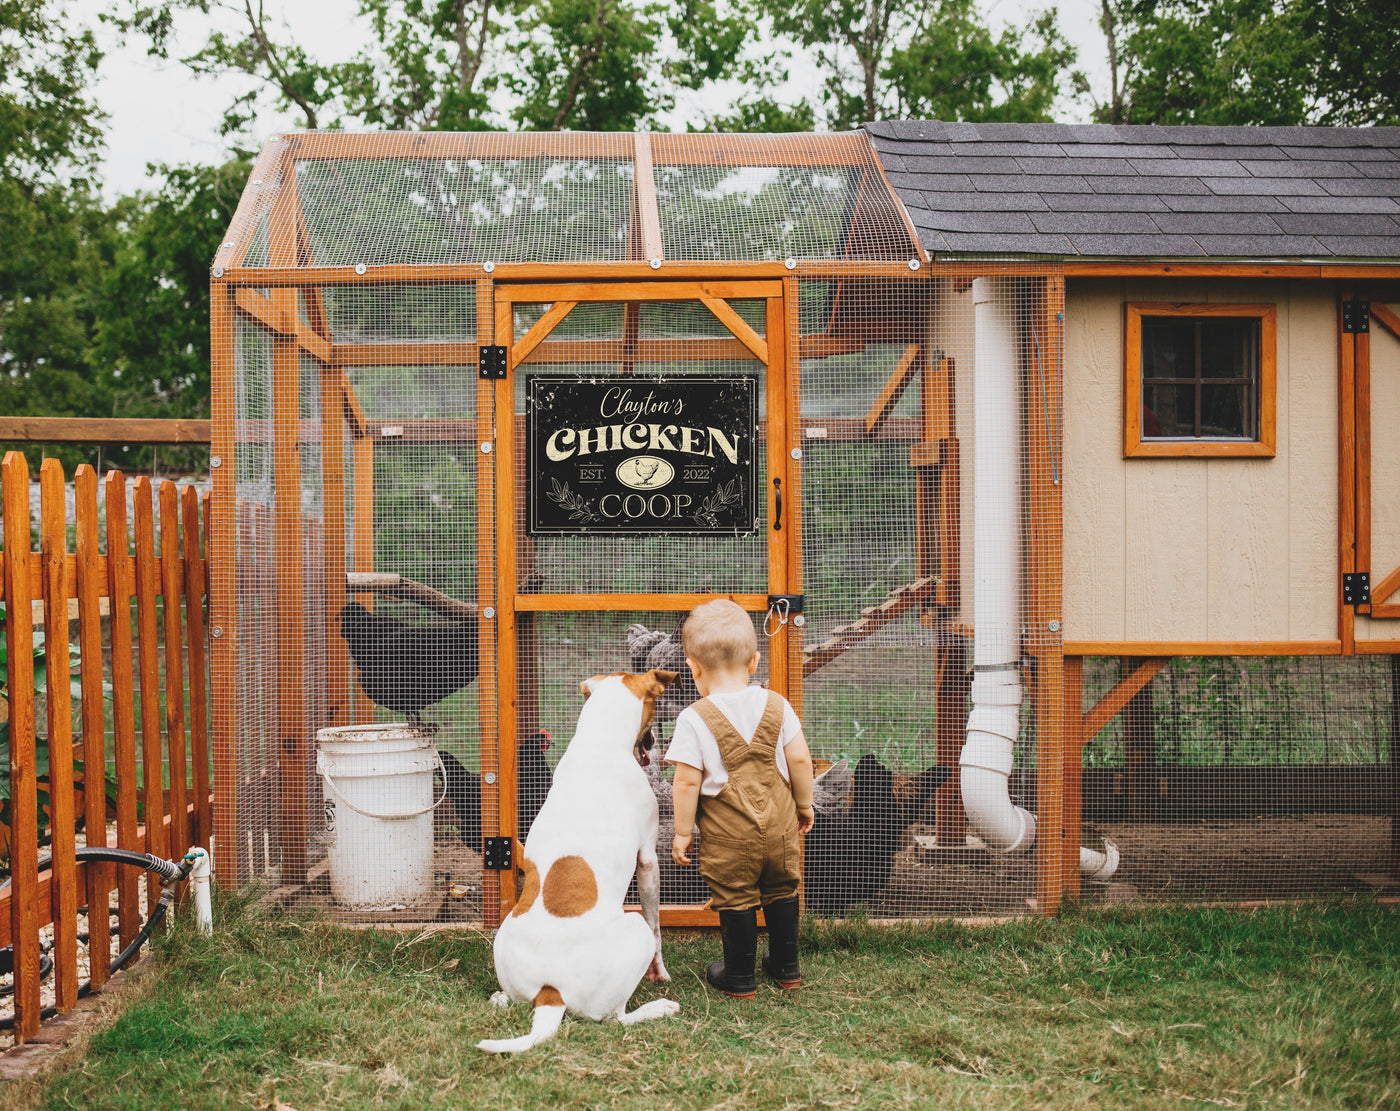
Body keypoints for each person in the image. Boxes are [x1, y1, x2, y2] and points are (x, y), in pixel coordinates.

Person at [666, 599, 816, 998]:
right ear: (754, 661)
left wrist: (682, 832)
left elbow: (685, 782)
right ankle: (787, 968)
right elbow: (799, 759)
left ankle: (739, 975)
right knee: (783, 889)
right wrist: (803, 805)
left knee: (736, 895)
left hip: (729, 837)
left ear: (693, 666)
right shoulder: (778, 704)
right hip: (781, 829)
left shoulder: (694, 718)